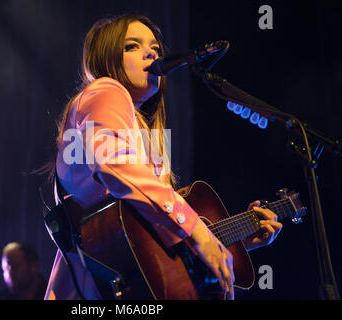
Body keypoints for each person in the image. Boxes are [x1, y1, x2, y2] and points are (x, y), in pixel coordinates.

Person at [42, 14, 282, 300]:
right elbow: (114, 164)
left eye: (155, 46)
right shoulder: (106, 91)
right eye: (132, 46)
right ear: (105, 57)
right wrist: (198, 231)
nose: (152, 52)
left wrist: (234, 242)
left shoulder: (148, 133)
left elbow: (148, 246)